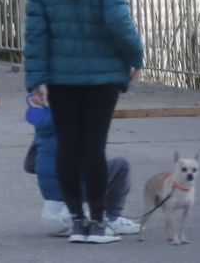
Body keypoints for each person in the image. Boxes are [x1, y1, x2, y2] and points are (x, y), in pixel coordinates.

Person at [24, 0, 143, 245]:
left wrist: (37, 78)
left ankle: (77, 222)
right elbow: (120, 23)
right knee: (94, 146)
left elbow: (36, 30)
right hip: (101, 75)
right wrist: (135, 57)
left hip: (61, 75)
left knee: (67, 146)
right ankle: (100, 222)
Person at [24, 92, 141, 237]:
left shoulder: (41, 131)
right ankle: (112, 218)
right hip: (76, 212)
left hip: (50, 214)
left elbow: (29, 166)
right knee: (120, 165)